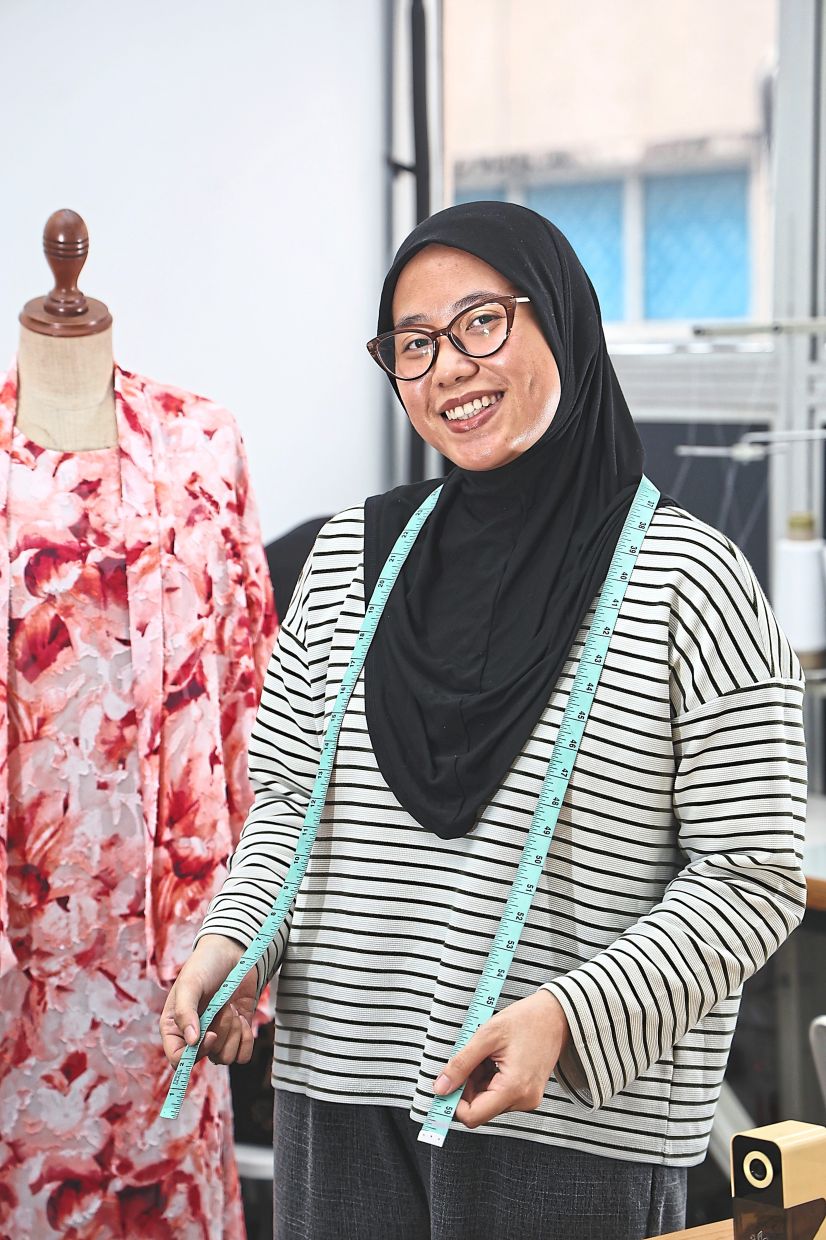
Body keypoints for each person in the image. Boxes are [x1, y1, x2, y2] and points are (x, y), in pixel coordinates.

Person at [160, 202, 807, 1240]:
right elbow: (286, 800)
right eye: (413, 344)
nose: (447, 367)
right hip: (339, 1101)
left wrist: (570, 1016)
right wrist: (237, 936)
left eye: (480, 323)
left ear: (560, 319)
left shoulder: (692, 580)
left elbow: (754, 873)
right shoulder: (344, 565)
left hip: (569, 1119)